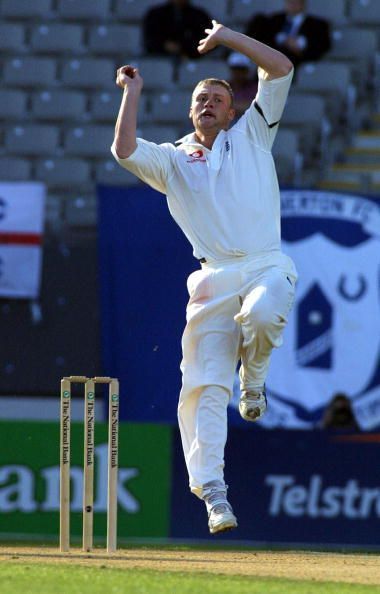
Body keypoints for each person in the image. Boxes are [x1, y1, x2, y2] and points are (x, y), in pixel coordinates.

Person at [112, 20, 297, 535]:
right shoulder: (173, 160)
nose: (209, 102)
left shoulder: (255, 133)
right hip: (212, 278)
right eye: (201, 96)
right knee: (202, 386)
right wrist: (133, 92)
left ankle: (254, 379)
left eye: (218, 95)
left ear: (233, 109)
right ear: (191, 110)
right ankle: (213, 492)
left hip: (264, 261)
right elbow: (124, 151)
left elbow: (280, 68)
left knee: (262, 312)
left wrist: (227, 38)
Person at [246, 0, 331, 68]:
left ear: (303, 4)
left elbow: (324, 45)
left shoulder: (317, 25)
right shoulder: (274, 20)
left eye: (296, 2)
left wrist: (301, 44)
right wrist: (283, 40)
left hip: (295, 61)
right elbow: (262, 36)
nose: (292, 5)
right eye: (290, 2)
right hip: (272, 58)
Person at [143, 0, 211, 60]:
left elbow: (208, 41)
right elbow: (149, 41)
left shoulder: (199, 16)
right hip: (160, 61)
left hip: (193, 59)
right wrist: (165, 45)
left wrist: (185, 49)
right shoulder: (155, 15)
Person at [227, 52, 258, 120]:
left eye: (241, 69)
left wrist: (229, 106)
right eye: (235, 69)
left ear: (247, 71)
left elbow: (255, 108)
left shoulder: (255, 88)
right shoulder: (223, 86)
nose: (238, 73)